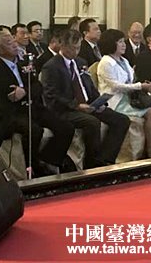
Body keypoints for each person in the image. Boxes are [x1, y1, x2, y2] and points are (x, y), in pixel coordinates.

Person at [0, 31, 76, 175]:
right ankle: (33, 166)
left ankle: (49, 159)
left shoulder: (23, 63)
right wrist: (24, 93)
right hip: (12, 113)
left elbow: (37, 86)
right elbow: (9, 95)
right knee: (34, 131)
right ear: (0, 49)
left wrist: (24, 91)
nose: (14, 45)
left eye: (13, 41)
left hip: (32, 107)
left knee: (66, 127)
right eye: (9, 43)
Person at [41, 29, 130, 169]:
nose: (75, 52)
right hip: (67, 108)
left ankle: (106, 158)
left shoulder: (80, 62)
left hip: (88, 104)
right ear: (62, 45)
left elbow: (89, 86)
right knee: (92, 122)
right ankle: (91, 163)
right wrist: (76, 106)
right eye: (72, 48)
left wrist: (99, 102)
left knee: (122, 120)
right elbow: (52, 95)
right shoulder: (51, 66)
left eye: (78, 48)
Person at [97, 29, 151, 158]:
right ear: (111, 44)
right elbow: (116, 86)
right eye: (120, 42)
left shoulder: (124, 60)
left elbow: (131, 80)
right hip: (116, 100)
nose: (124, 45)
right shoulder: (105, 63)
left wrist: (144, 84)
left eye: (123, 41)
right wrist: (139, 86)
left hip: (129, 97)